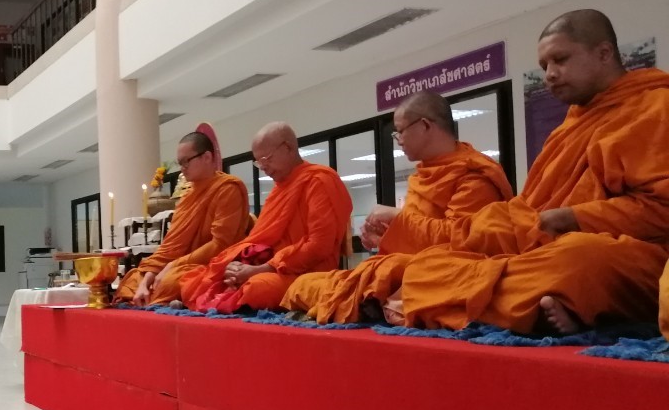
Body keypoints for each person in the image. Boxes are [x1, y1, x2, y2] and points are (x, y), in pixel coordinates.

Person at [391, 10, 669, 332]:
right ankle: (550, 306)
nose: (550, 74)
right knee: (430, 266)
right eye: (544, 65)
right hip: (544, 245)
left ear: (604, 53)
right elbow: (531, 208)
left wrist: (576, 217)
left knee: (578, 258)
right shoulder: (569, 126)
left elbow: (661, 211)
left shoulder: (655, 107)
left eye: (560, 60)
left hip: (630, 254)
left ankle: (541, 303)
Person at [282, 91, 512, 323]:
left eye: (400, 131)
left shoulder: (474, 175)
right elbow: (417, 237)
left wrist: (398, 218)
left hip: (445, 271)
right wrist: (385, 238)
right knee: (304, 284)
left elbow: (463, 240)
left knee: (387, 271)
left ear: (424, 125)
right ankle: (370, 302)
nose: (398, 139)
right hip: (413, 266)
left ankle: (369, 303)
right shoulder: (423, 174)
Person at [180, 122, 352, 313]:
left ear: (288, 147)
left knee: (256, 288)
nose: (263, 167)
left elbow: (319, 246)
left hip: (307, 273)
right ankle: (221, 295)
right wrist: (239, 265)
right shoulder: (279, 190)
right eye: (258, 162)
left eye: (266, 159)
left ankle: (221, 299)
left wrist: (261, 269)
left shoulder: (319, 180)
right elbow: (260, 240)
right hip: (266, 266)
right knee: (193, 280)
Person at [114, 129, 250, 306]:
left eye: (187, 161)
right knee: (133, 279)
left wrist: (174, 265)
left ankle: (162, 298)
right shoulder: (187, 198)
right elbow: (170, 247)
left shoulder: (227, 189)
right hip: (181, 265)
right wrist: (148, 278)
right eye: (180, 163)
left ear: (207, 157)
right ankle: (156, 296)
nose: (183, 168)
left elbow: (221, 244)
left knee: (171, 282)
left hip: (212, 265)